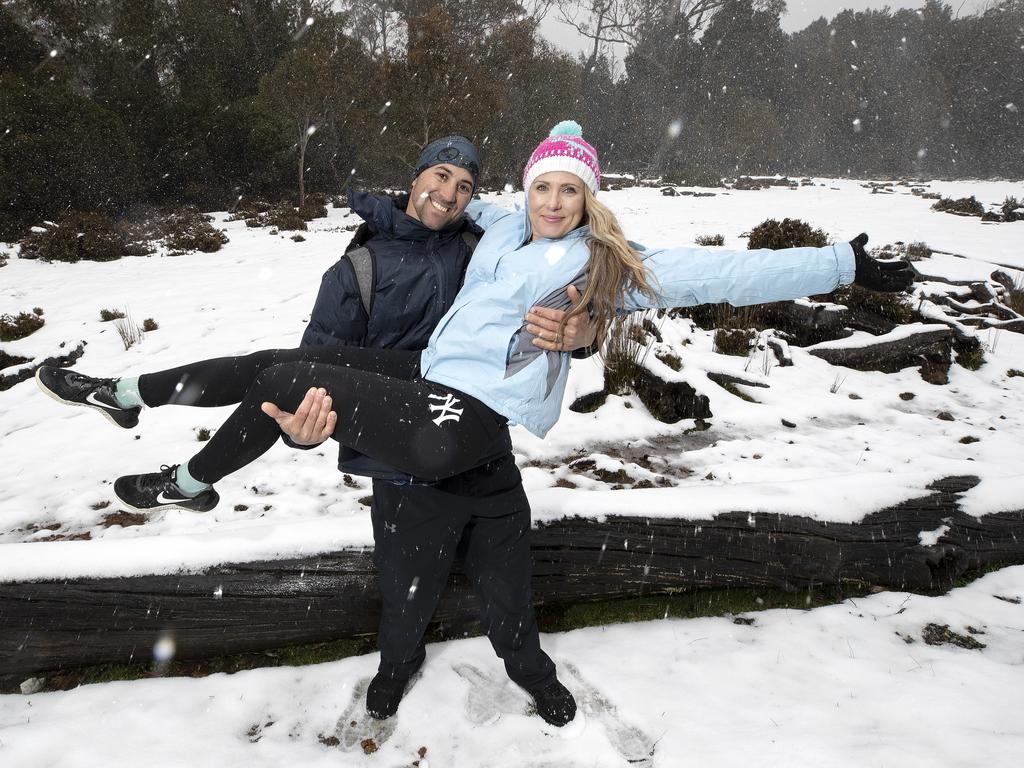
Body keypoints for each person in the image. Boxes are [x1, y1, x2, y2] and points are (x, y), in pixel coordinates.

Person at [36, 119, 912, 714]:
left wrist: (841, 263)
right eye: (545, 187)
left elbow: (723, 276)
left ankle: (194, 479)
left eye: (572, 190)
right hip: (423, 379)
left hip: (468, 415)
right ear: (527, 190)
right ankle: (132, 400)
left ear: (591, 199)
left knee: (307, 383)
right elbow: (438, 200)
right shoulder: (499, 228)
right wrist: (381, 203)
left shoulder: (604, 261)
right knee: (274, 363)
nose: (555, 203)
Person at [284, 135, 590, 726]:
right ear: (416, 173)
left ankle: (530, 671)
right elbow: (314, 373)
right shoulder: (358, 271)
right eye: (440, 175)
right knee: (405, 588)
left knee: (509, 580)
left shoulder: (487, 249)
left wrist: (585, 332)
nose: (448, 194)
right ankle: (396, 666)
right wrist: (305, 430)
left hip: (483, 450)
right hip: (404, 464)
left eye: (465, 186)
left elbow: (566, 290)